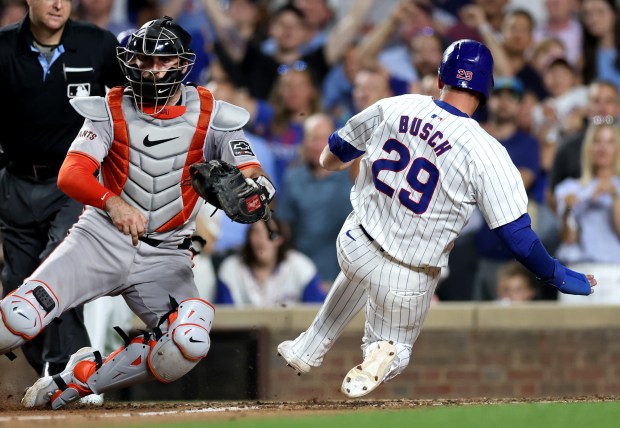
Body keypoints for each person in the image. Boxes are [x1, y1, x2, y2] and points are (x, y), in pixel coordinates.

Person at [276, 39, 597, 399]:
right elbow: (517, 238)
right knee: (394, 345)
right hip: (407, 273)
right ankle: (384, 350)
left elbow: (334, 152)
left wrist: (331, 164)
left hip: (353, 242)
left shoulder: (396, 106)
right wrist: (555, 274)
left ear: (442, 75)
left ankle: (308, 349)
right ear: (486, 88)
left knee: (357, 275)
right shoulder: (486, 151)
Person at [0, 16, 274, 410]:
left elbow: (252, 173)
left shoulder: (213, 113)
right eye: (144, 61)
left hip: (166, 254)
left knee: (190, 339)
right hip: (100, 239)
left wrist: (256, 191)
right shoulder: (110, 107)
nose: (152, 70)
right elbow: (71, 175)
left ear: (183, 65)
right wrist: (112, 202)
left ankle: (80, 380)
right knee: (20, 317)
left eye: (163, 62)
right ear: (130, 62)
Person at [0, 0, 125, 379]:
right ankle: (51, 371)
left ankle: (69, 370)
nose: (58, 4)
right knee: (18, 285)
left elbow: (129, 105)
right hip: (15, 181)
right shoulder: (3, 47)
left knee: (59, 268)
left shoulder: (97, 44)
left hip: (75, 181)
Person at [215, 218, 325, 307]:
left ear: (280, 239)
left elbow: (317, 312)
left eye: (270, 233)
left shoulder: (301, 266)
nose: (262, 239)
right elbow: (225, 321)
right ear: (248, 238)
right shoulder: (230, 269)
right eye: (256, 232)